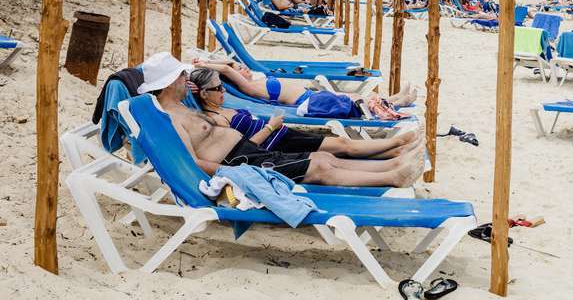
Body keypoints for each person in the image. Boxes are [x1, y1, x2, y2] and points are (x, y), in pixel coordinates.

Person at [144, 54, 425, 187]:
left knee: (323, 158)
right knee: (319, 166)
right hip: (238, 163)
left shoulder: (182, 107)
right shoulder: (168, 118)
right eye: (182, 76)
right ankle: (393, 175)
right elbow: (192, 163)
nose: (186, 80)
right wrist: (235, 175)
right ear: (169, 82)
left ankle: (393, 162)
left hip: (249, 151)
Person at [187, 67, 418, 159]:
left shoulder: (223, 108)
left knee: (340, 146)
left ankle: (394, 150)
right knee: (342, 145)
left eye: (222, 86)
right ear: (204, 94)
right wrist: (270, 127)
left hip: (281, 134)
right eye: (217, 89)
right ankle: (398, 144)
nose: (222, 91)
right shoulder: (215, 119)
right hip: (276, 143)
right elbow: (240, 149)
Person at [192, 59, 415, 109]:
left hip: (309, 95)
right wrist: (204, 63)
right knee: (355, 101)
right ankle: (396, 102)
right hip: (305, 101)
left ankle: (395, 99)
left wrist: (219, 61)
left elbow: (229, 64)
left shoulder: (256, 80)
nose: (245, 69)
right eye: (241, 69)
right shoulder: (248, 87)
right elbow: (227, 68)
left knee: (355, 99)